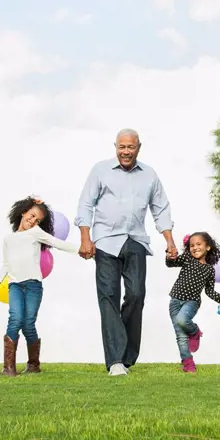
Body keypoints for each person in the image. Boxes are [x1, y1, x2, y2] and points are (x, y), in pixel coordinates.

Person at [75, 128, 178, 376]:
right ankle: (115, 361)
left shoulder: (149, 175)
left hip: (135, 240)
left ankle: (128, 356)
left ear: (138, 148)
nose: (126, 152)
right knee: (108, 296)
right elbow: (86, 204)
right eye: (122, 147)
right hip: (106, 241)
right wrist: (85, 238)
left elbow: (160, 208)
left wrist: (170, 241)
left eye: (130, 147)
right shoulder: (100, 170)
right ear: (115, 147)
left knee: (136, 294)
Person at [0, 196, 77, 377]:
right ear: (23, 211)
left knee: (28, 324)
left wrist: (80, 249)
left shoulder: (36, 233)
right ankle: (8, 367)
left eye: (37, 220)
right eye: (32, 215)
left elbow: (57, 243)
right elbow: (6, 264)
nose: (33, 221)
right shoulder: (8, 239)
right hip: (15, 286)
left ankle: (33, 364)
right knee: (15, 319)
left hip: (33, 286)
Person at [166, 232, 220, 372]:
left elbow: (209, 291)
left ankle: (195, 332)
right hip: (175, 300)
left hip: (192, 302)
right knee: (180, 335)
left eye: (198, 244)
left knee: (182, 320)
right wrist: (169, 256)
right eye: (191, 245)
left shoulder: (209, 270)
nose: (195, 247)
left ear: (208, 247)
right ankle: (188, 362)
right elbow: (172, 263)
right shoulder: (188, 258)